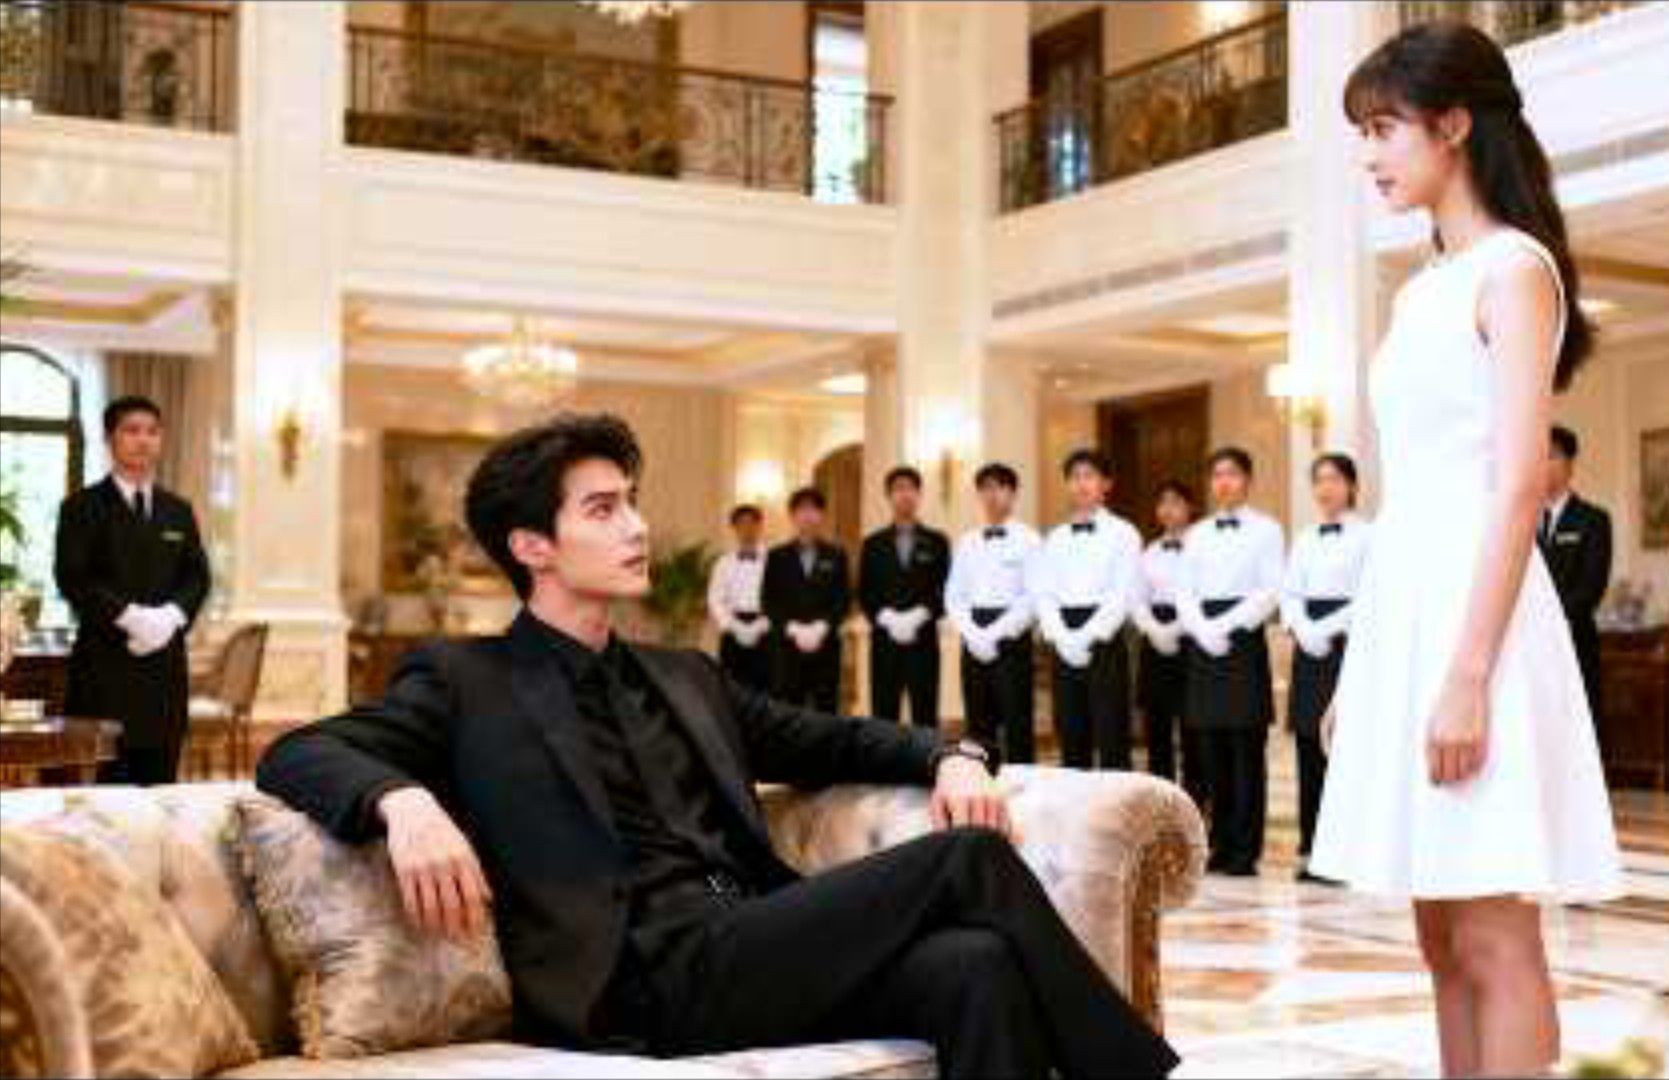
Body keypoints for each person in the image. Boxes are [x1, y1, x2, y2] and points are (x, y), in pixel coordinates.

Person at [255, 414, 1177, 1077]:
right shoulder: (468, 679)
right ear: (532, 546)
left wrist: (952, 754)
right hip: (637, 976)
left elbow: (832, 737)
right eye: (603, 510)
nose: (637, 527)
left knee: (974, 966)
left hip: (752, 938)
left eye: (631, 504)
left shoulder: (684, 674)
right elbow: (297, 751)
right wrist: (403, 800)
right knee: (967, 857)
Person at [1311, 23, 1622, 1078]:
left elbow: (1518, 482)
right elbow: (1408, 500)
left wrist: (1468, 674)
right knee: (1439, 938)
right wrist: (1365, 669)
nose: (1369, 155)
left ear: (1452, 125)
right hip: (1411, 607)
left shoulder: (1515, 270)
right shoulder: (1419, 289)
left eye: (1383, 128)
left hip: (1476, 621)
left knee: (1493, 935)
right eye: (1362, 132)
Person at [54, 394, 211, 785]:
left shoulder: (178, 510)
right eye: (132, 430)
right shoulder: (82, 506)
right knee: (108, 796)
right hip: (105, 673)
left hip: (164, 675)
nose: (143, 440)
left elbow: (198, 576)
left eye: (152, 432)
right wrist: (131, 617)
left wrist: (170, 616)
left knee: (162, 791)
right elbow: (73, 577)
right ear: (110, 439)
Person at [1174, 448, 1285, 877]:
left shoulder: (1267, 530)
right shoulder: (1196, 533)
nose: (1224, 482)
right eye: (1217, 474)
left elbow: (1270, 589)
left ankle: (1245, 849)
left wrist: (1230, 625)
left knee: (1245, 750)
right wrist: (1202, 629)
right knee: (1210, 749)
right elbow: (1184, 590)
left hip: (1243, 642)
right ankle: (1219, 844)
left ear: (1248, 480)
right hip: (1203, 642)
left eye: (1232, 474)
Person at [1280, 452, 1371, 884]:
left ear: (1352, 485)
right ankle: (1313, 850)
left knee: (1346, 748)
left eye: (1334, 479)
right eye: (1318, 480)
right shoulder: (1304, 538)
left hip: (1350, 646)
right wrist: (1303, 628)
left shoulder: (1369, 535)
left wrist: (1330, 627)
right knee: (1308, 747)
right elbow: (1289, 592)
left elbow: (1373, 594)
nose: (1326, 488)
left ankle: (1350, 852)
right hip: (1308, 648)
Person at [1031, 449, 1141, 771]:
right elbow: (1044, 593)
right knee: (1071, 735)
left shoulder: (1124, 532)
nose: (1081, 484)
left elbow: (1122, 593)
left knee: (1112, 737)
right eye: (1074, 477)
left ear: (1106, 484)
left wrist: (1087, 636)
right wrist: (1062, 637)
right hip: (1063, 639)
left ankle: (1118, 805)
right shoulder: (1055, 538)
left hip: (1104, 639)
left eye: (1089, 476)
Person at [945, 464, 1040, 764]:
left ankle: (1022, 785)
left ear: (1013, 494)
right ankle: (980, 782)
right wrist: (973, 633)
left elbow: (1033, 596)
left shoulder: (1029, 539)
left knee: (1017, 721)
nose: (992, 495)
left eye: (1000, 487)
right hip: (973, 636)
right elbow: (954, 595)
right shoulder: (967, 541)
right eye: (985, 488)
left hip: (1012, 637)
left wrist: (996, 632)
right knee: (977, 721)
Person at [859, 467, 951, 730]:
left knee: (925, 712)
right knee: (883, 713)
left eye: (910, 488)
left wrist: (919, 615)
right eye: (898, 489)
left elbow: (945, 590)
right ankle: (884, 758)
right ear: (888, 496)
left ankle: (925, 757)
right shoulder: (872, 544)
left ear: (919, 494)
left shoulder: (937, 541)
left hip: (923, 642)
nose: (904, 494)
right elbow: (864, 591)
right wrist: (887, 618)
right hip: (884, 643)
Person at [1538, 425, 1614, 740]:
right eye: (1538, 455)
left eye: (1552, 455)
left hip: (1574, 642)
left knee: (1578, 731)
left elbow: (1591, 587)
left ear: (1570, 464)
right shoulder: (1522, 522)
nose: (1543, 463)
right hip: (1531, 646)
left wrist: (1547, 620)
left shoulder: (1593, 520)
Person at [1132, 480, 1203, 798]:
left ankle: (1196, 797)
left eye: (1176, 502)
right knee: (1157, 725)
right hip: (1154, 639)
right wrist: (1154, 630)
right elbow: (1136, 598)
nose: (1168, 509)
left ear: (1190, 507)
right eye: (1163, 503)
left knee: (1193, 727)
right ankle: (1161, 799)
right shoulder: (1149, 552)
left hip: (1192, 636)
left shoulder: (1203, 546)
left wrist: (1178, 627)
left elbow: (1202, 593)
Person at [763, 488, 851, 713]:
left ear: (822, 515)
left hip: (826, 646)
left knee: (826, 709)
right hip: (787, 648)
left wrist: (822, 627)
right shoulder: (776, 556)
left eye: (813, 509)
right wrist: (793, 628)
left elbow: (843, 599)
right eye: (801, 509)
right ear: (792, 516)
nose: (808, 515)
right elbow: (768, 600)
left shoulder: (836, 555)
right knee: (788, 709)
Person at [707, 504, 771, 693]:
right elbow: (715, 599)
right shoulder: (723, 563)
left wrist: (762, 624)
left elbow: (781, 597)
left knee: (765, 686)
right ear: (734, 528)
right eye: (741, 524)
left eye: (752, 523)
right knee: (731, 687)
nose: (747, 529)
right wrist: (733, 626)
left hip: (765, 629)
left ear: (759, 526)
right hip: (733, 629)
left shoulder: (774, 560)